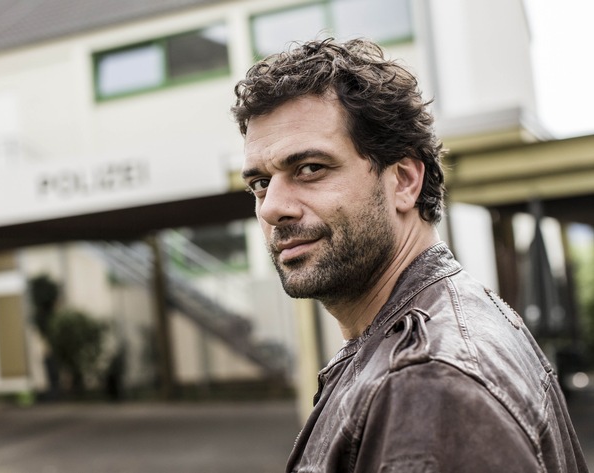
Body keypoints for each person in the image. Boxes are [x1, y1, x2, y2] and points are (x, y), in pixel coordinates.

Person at [232, 38, 588, 472]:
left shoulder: (429, 382)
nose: (272, 207)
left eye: (310, 168)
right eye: (260, 184)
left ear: (403, 181)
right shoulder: (444, 330)